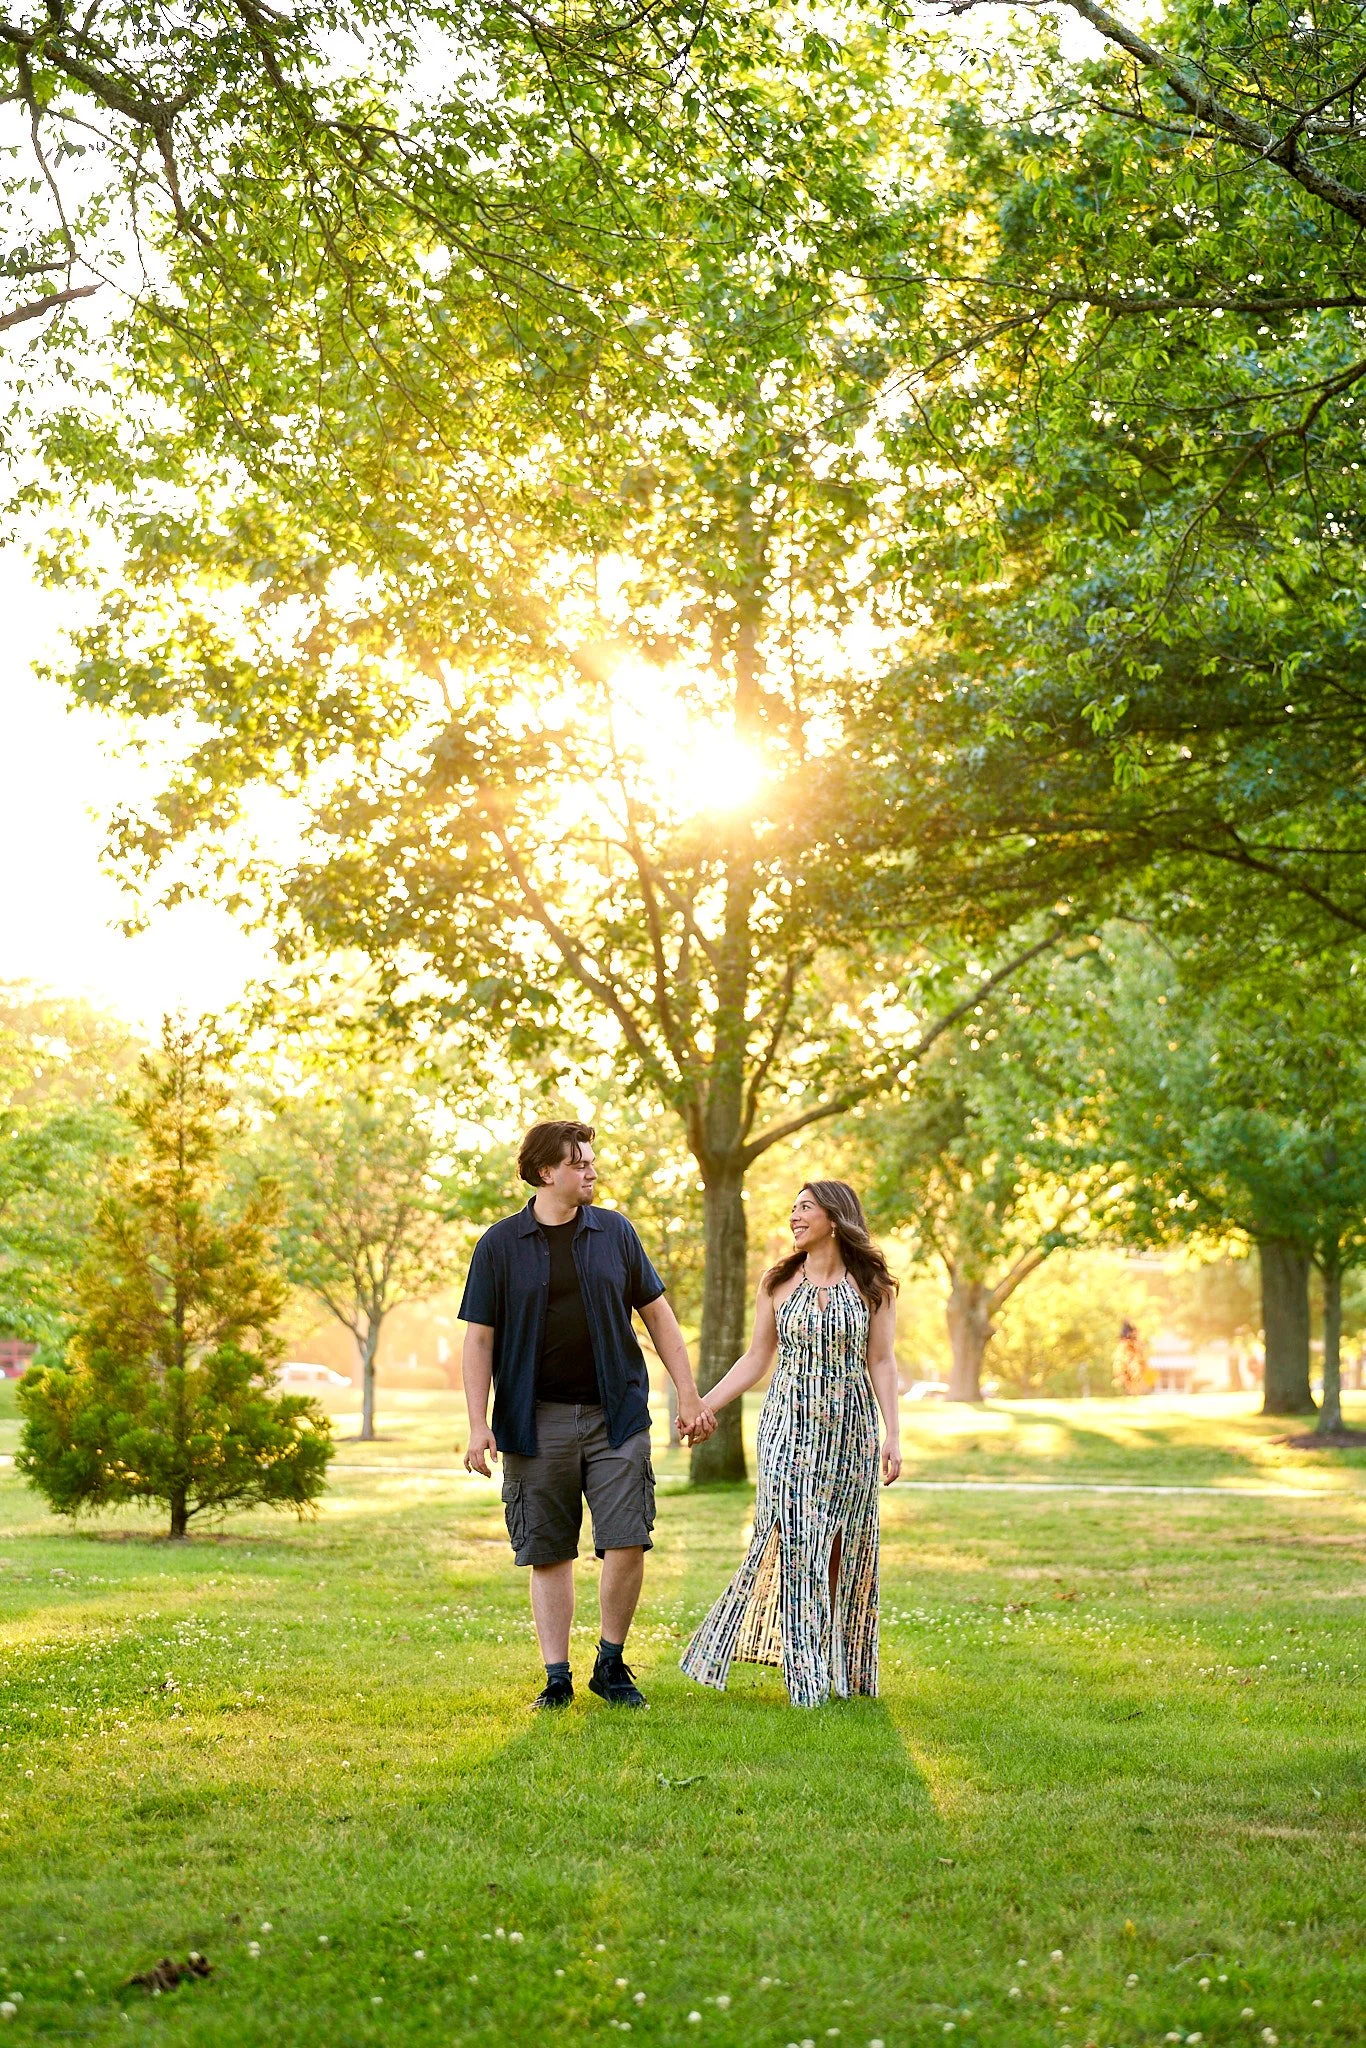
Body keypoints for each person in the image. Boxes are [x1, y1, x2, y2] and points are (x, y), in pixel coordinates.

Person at [459, 1120, 713, 1711]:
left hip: (615, 1415)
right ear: (547, 1171)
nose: (592, 1171)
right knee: (547, 1550)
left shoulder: (616, 1233)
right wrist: (478, 1423)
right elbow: (478, 1341)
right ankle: (556, 1677)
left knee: (627, 1539)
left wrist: (690, 1394)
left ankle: (611, 1662)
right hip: (533, 1420)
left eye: (592, 1162)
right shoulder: (499, 1245)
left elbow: (660, 1317)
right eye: (580, 1163)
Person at [681, 1180, 902, 1708]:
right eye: (794, 1208)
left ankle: (839, 1669)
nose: (794, 1216)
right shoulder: (778, 1281)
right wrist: (703, 1404)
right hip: (788, 1431)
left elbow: (882, 1361)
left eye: (805, 1207)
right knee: (796, 1541)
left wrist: (894, 1433)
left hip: (852, 1434)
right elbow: (756, 1360)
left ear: (835, 1216)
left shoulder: (873, 1285)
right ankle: (804, 1678)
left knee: (841, 1550)